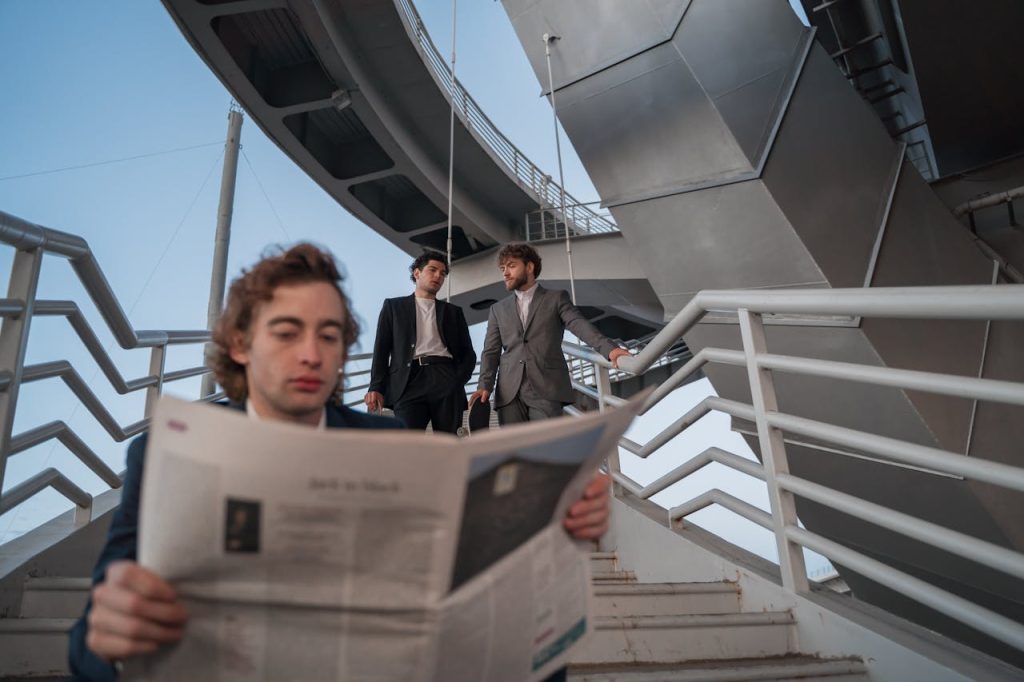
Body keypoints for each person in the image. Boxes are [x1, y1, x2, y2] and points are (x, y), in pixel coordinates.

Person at [68, 243, 611, 681]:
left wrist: (548, 542)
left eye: (329, 335)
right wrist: (106, 638)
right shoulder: (161, 454)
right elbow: (89, 642)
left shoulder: (397, 449)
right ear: (239, 344)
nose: (312, 353)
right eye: (286, 333)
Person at [470, 243, 630, 425]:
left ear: (529, 267)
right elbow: (491, 351)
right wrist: (484, 386)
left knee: (545, 449)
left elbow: (578, 324)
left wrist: (610, 350)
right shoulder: (497, 309)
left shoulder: (556, 298)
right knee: (513, 451)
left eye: (512, 266)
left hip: (545, 387)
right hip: (509, 392)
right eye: (502, 268)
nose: (505, 273)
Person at [364, 252, 475, 433]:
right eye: (432, 270)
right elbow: (381, 350)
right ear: (417, 273)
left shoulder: (453, 312)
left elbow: (467, 353)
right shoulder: (393, 307)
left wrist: (457, 380)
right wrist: (376, 387)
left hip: (445, 376)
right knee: (408, 443)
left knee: (448, 444)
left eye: (442, 273)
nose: (438, 276)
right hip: (408, 381)